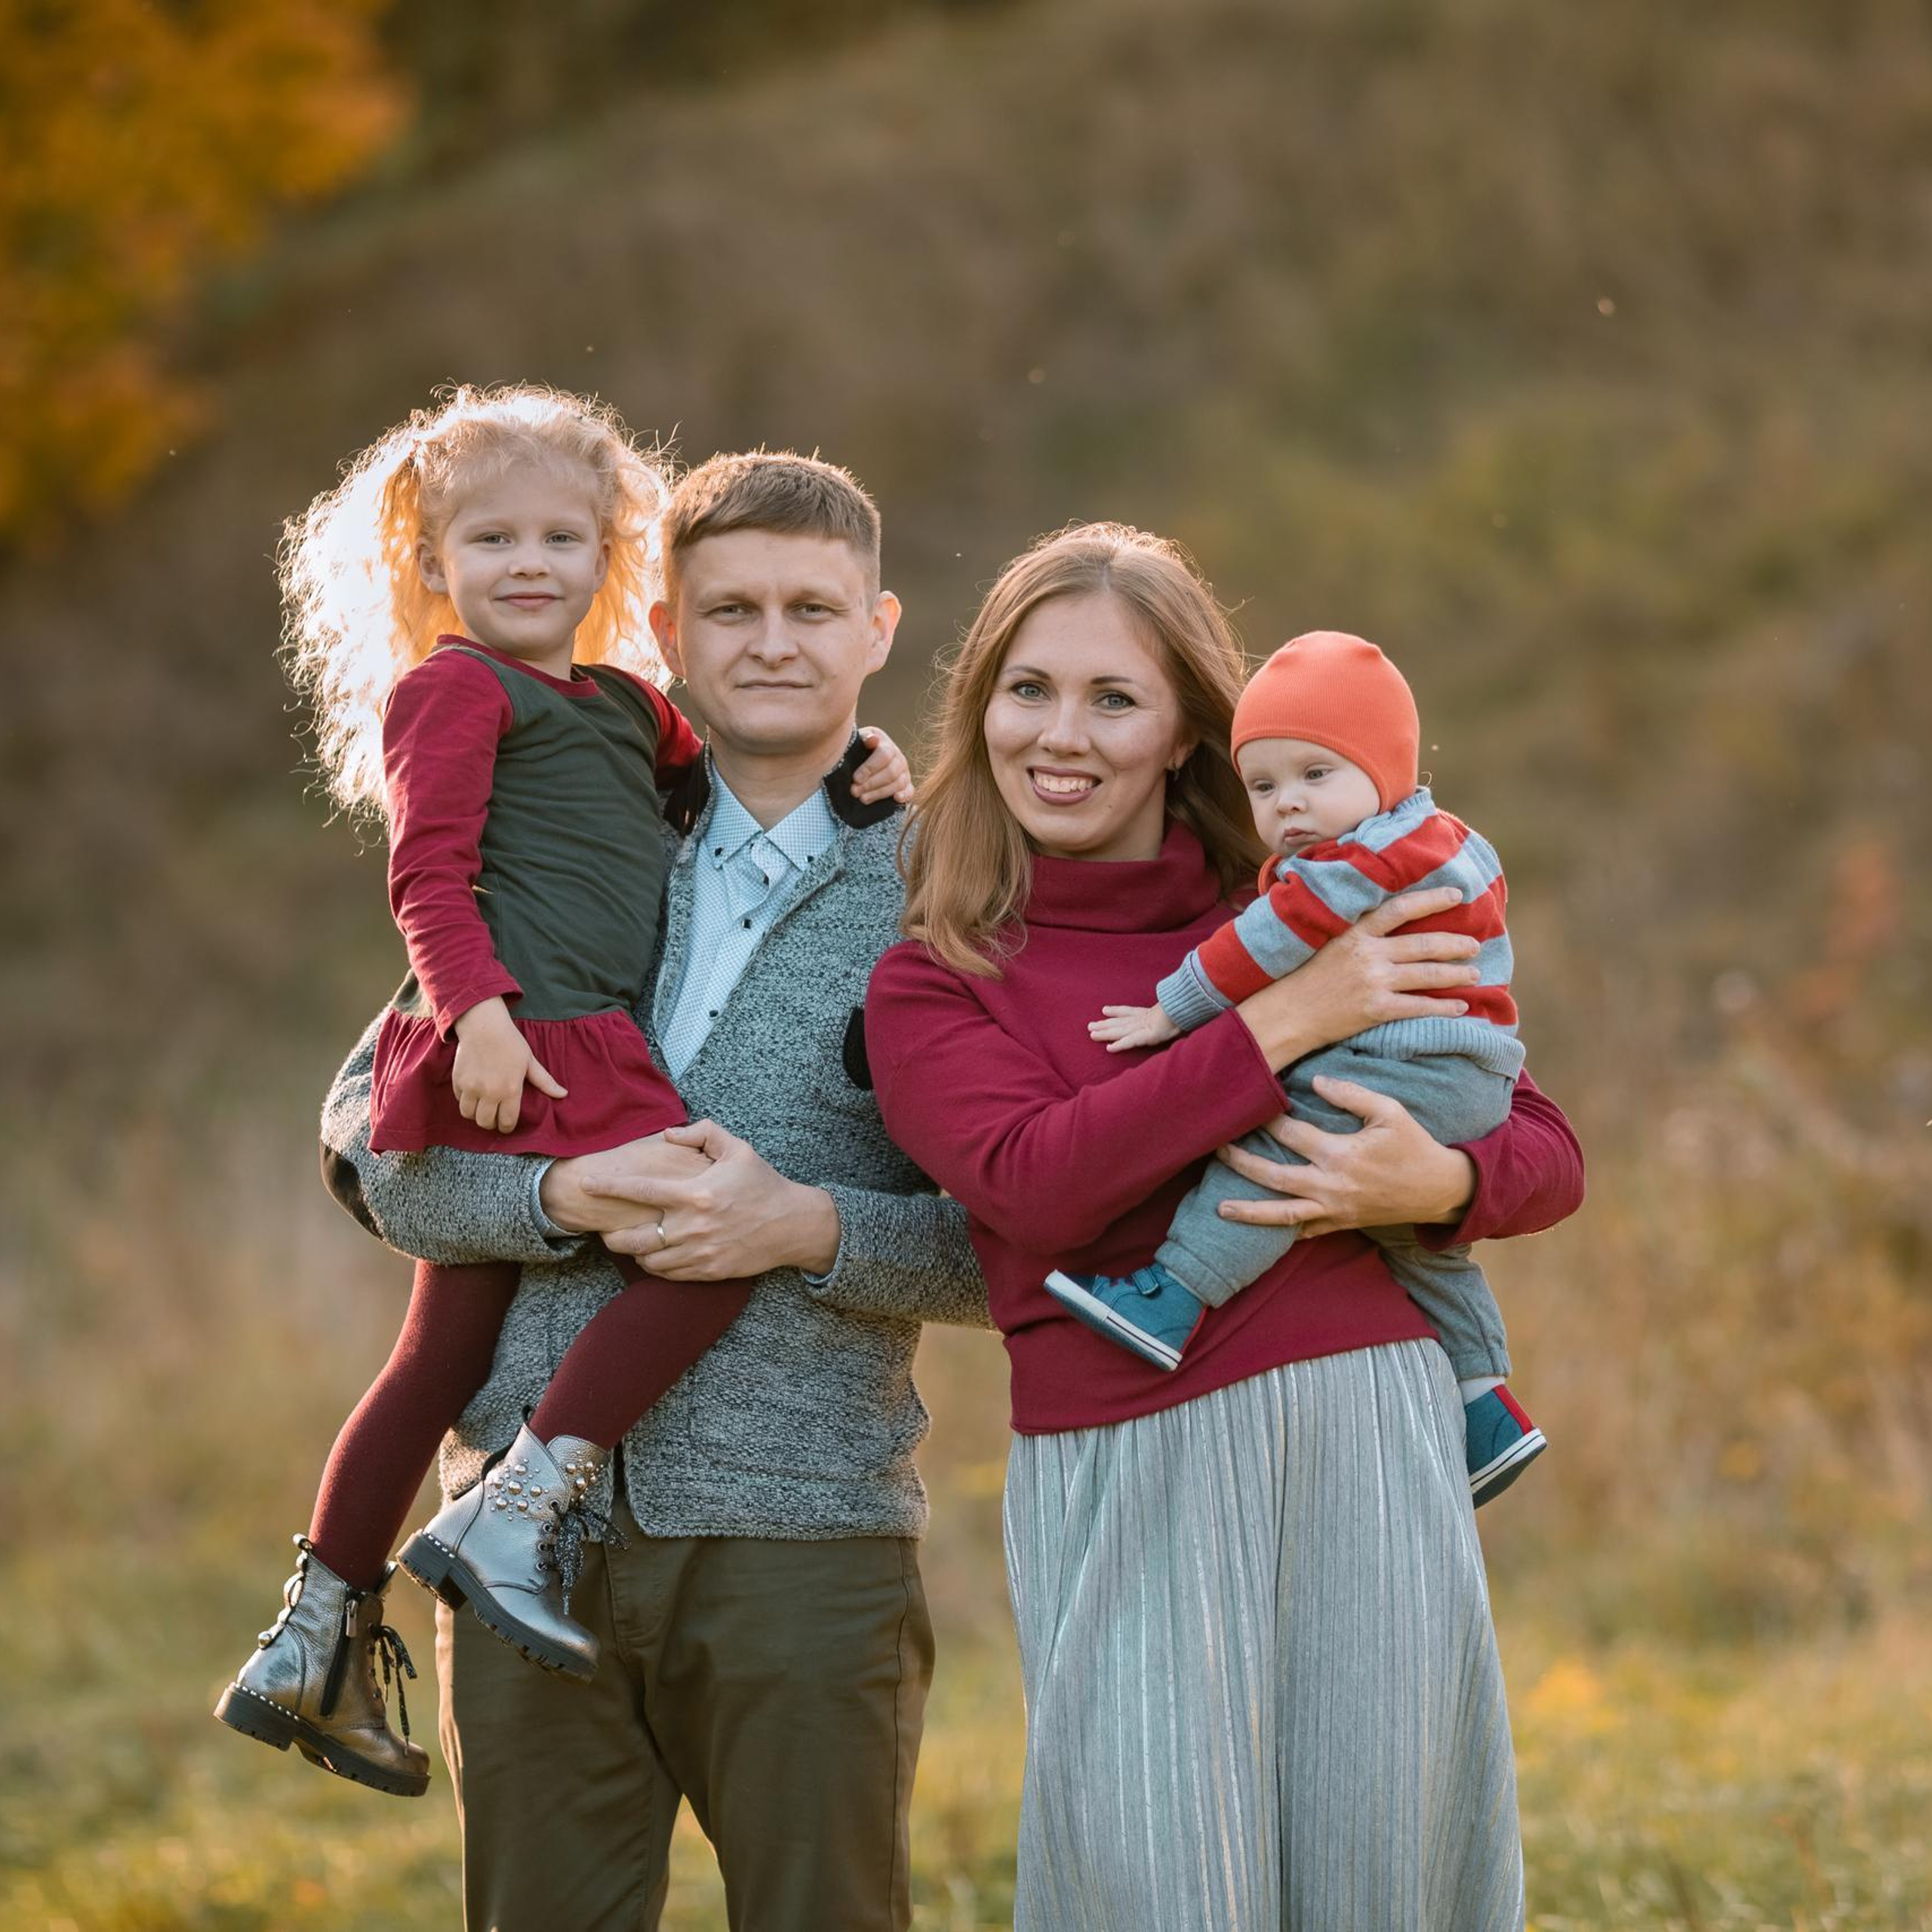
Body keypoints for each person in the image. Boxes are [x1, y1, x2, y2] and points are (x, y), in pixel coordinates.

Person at [865, 523, 1584, 1930]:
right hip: (1125, 1453)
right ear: (980, 710)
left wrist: (1432, 1190)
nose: (1059, 735)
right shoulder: (937, 977)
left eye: (1113, 698)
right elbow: (1037, 1185)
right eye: (1028, 690)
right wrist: (1286, 1024)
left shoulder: (1322, 906)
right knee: (1156, 1881)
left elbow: (1542, 1146)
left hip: (1373, 1433)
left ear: (1193, 727)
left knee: (1385, 1877)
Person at [315, 449, 989, 1931]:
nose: (770, 638)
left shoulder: (951, 889)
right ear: (665, 632)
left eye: (810, 606)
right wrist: (561, 1196)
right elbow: (376, 1150)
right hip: (511, 1540)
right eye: (728, 606)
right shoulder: (562, 817)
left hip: (798, 1538)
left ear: (876, 628)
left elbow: (1018, 1244)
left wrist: (810, 1226)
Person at [214, 393, 913, 1798]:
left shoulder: (626, 709)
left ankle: (316, 1630)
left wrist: (861, 768)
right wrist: (474, 1015)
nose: (528, 564)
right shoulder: (455, 688)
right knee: (695, 1243)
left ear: (609, 559)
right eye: (492, 538)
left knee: (446, 1351)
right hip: (529, 1044)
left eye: (558, 537)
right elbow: (424, 885)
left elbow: (699, 782)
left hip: (577, 1075)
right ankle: (513, 1511)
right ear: (430, 559)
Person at [1048, 627, 1545, 1503]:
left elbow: (1261, 943)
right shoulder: (1450, 840)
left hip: (1408, 1064)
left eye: (1317, 776)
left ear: (1385, 773)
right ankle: (1485, 1404)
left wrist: (1174, 1006)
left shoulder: (1358, 864)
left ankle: (1172, 1294)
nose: (1288, 807)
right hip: (1472, 1076)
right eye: (1264, 785)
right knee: (1416, 1249)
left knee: (1279, 1155)